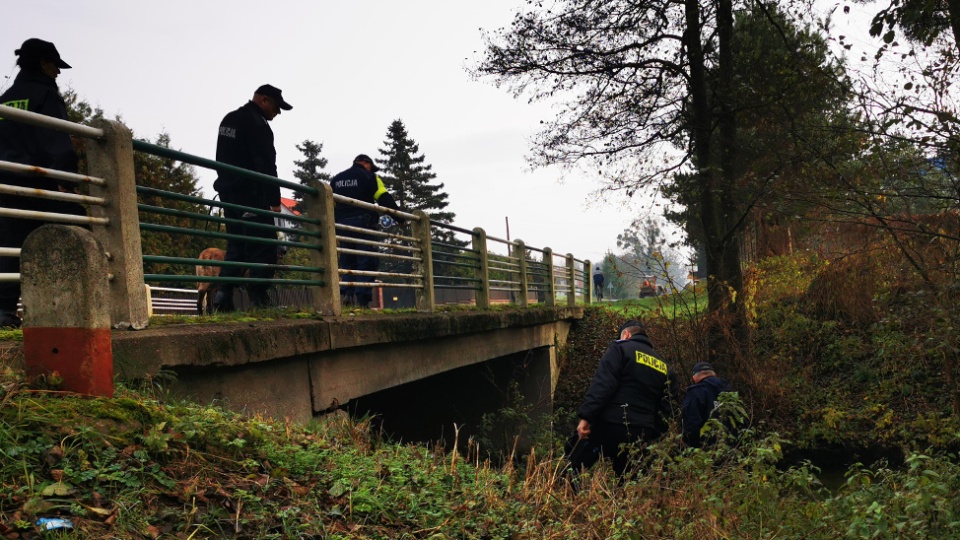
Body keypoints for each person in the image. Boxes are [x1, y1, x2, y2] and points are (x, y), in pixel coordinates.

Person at [0, 38, 85, 328]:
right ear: (43, 63)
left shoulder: (5, 99)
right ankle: (70, 310)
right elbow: (56, 138)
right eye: (55, 66)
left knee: (11, 248)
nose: (58, 73)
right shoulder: (45, 95)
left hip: (6, 185)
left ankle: (4, 313)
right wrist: (66, 179)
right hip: (41, 183)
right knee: (77, 236)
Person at [212, 84, 292, 311]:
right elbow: (267, 165)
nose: (277, 113)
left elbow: (221, 157)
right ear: (264, 100)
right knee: (265, 247)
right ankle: (259, 298)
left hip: (228, 194)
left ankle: (223, 298)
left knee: (237, 246)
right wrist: (274, 200)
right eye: (277, 107)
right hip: (251, 195)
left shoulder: (229, 119)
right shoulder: (257, 124)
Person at [571, 319, 678, 478]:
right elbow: (668, 407)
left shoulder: (620, 349)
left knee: (572, 466)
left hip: (610, 424)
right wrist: (653, 434)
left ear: (626, 334)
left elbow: (603, 386)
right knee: (628, 481)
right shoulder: (665, 366)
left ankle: (569, 498)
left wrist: (586, 418)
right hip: (642, 432)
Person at [329, 154, 401, 307]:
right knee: (367, 260)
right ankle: (362, 300)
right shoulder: (369, 177)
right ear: (364, 163)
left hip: (342, 226)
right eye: (370, 166)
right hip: (364, 223)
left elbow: (331, 205)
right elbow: (384, 198)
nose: (371, 169)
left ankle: (347, 295)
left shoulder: (336, 179)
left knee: (348, 259)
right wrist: (400, 218)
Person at [681, 362, 732, 448]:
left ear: (694, 377)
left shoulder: (695, 392)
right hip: (732, 449)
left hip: (706, 451)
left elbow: (691, 425)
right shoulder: (730, 392)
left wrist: (690, 448)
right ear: (714, 374)